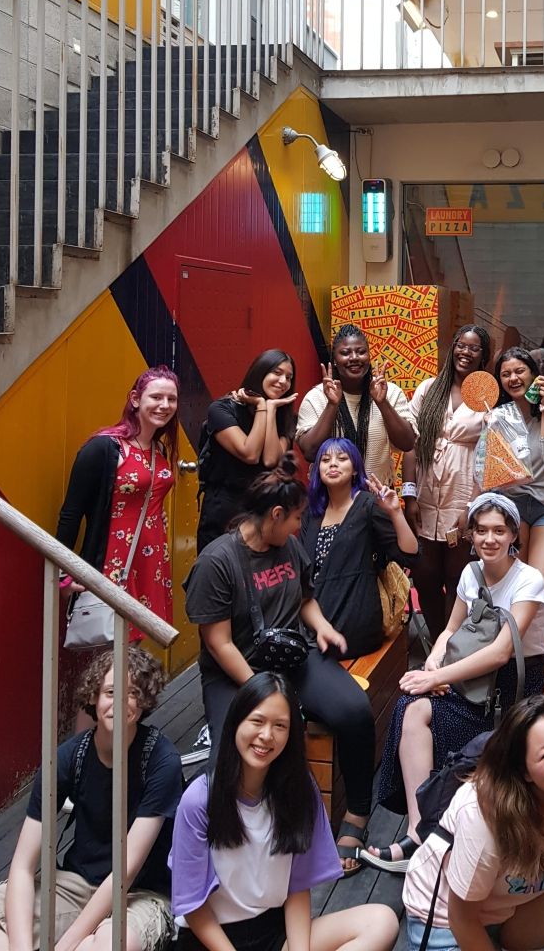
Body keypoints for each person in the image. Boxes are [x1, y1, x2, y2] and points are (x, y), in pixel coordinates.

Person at [183, 458, 375, 875]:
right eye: (295, 519)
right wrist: (264, 695)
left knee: (355, 712)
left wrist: (324, 630)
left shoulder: (286, 545)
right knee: (228, 759)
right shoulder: (218, 562)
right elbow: (217, 643)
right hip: (236, 670)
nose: (298, 527)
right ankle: (234, 849)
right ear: (274, 515)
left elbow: (305, 598)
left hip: (291, 655)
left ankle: (357, 814)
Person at [364, 493, 544, 873]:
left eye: (499, 531)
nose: (489, 539)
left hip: (511, 691)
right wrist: (433, 660)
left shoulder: (528, 581)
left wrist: (436, 675)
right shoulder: (471, 573)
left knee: (423, 702)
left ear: (514, 534)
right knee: (411, 707)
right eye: (481, 531)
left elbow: (500, 653)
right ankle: (420, 833)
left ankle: (435, 830)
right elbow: (451, 628)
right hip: (470, 681)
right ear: (471, 535)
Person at [0, 646, 183, 951]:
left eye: (133, 693)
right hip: (75, 885)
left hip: (140, 894)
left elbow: (126, 871)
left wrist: (66, 944)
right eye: (110, 691)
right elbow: (22, 866)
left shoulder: (161, 761)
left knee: (102, 946)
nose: (120, 702)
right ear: (94, 696)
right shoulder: (69, 758)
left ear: (144, 701)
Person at [170, 672, 399, 951]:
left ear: (292, 735)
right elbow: (193, 905)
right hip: (209, 940)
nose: (266, 736)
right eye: (257, 721)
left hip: (274, 932)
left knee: (381, 921)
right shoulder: (200, 799)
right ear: (235, 723)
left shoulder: (300, 792)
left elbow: (297, 886)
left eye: (280, 725)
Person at [401, 694, 544, 951]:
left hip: (510, 910)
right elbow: (461, 919)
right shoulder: (485, 813)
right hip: (445, 922)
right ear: (524, 771)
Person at [57, 367, 179, 635]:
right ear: (135, 399)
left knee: (135, 641)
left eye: (172, 399)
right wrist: (62, 574)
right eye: (156, 397)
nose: (165, 405)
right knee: (112, 642)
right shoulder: (103, 448)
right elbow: (71, 513)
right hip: (115, 560)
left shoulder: (159, 448)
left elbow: (149, 495)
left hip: (152, 558)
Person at [401, 325, 492, 641]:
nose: (466, 353)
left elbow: (491, 452)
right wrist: (409, 494)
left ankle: (453, 643)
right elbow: (411, 442)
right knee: (425, 575)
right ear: (453, 348)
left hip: (464, 491)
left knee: (457, 575)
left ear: (484, 355)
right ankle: (437, 638)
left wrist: (474, 505)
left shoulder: (486, 394)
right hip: (426, 491)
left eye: (474, 348)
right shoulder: (429, 388)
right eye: (461, 345)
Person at [300, 437, 418, 657]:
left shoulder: (366, 505)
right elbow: (303, 570)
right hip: (313, 624)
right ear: (318, 471)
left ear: (355, 469)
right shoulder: (312, 513)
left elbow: (409, 555)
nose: (333, 464)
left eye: (342, 458)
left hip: (355, 621)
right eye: (326, 460)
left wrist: (395, 512)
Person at [196, 350, 298, 554]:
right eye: (276, 373)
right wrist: (261, 405)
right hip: (224, 508)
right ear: (260, 372)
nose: (282, 381)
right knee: (219, 574)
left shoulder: (285, 417)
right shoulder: (222, 409)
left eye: (288, 377)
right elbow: (250, 453)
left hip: (262, 510)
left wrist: (269, 409)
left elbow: (270, 460)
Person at [492, 346, 544, 593]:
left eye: (520, 371)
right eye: (506, 374)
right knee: (510, 586)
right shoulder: (498, 415)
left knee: (538, 585)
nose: (513, 378)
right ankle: (514, 633)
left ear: (533, 373)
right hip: (512, 503)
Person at [296, 325, 416, 481]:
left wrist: (383, 403)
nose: (354, 357)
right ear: (335, 360)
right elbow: (310, 452)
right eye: (345, 353)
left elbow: (407, 443)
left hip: (376, 497)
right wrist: (332, 405)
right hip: (330, 499)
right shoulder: (316, 397)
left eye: (361, 352)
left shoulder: (390, 393)